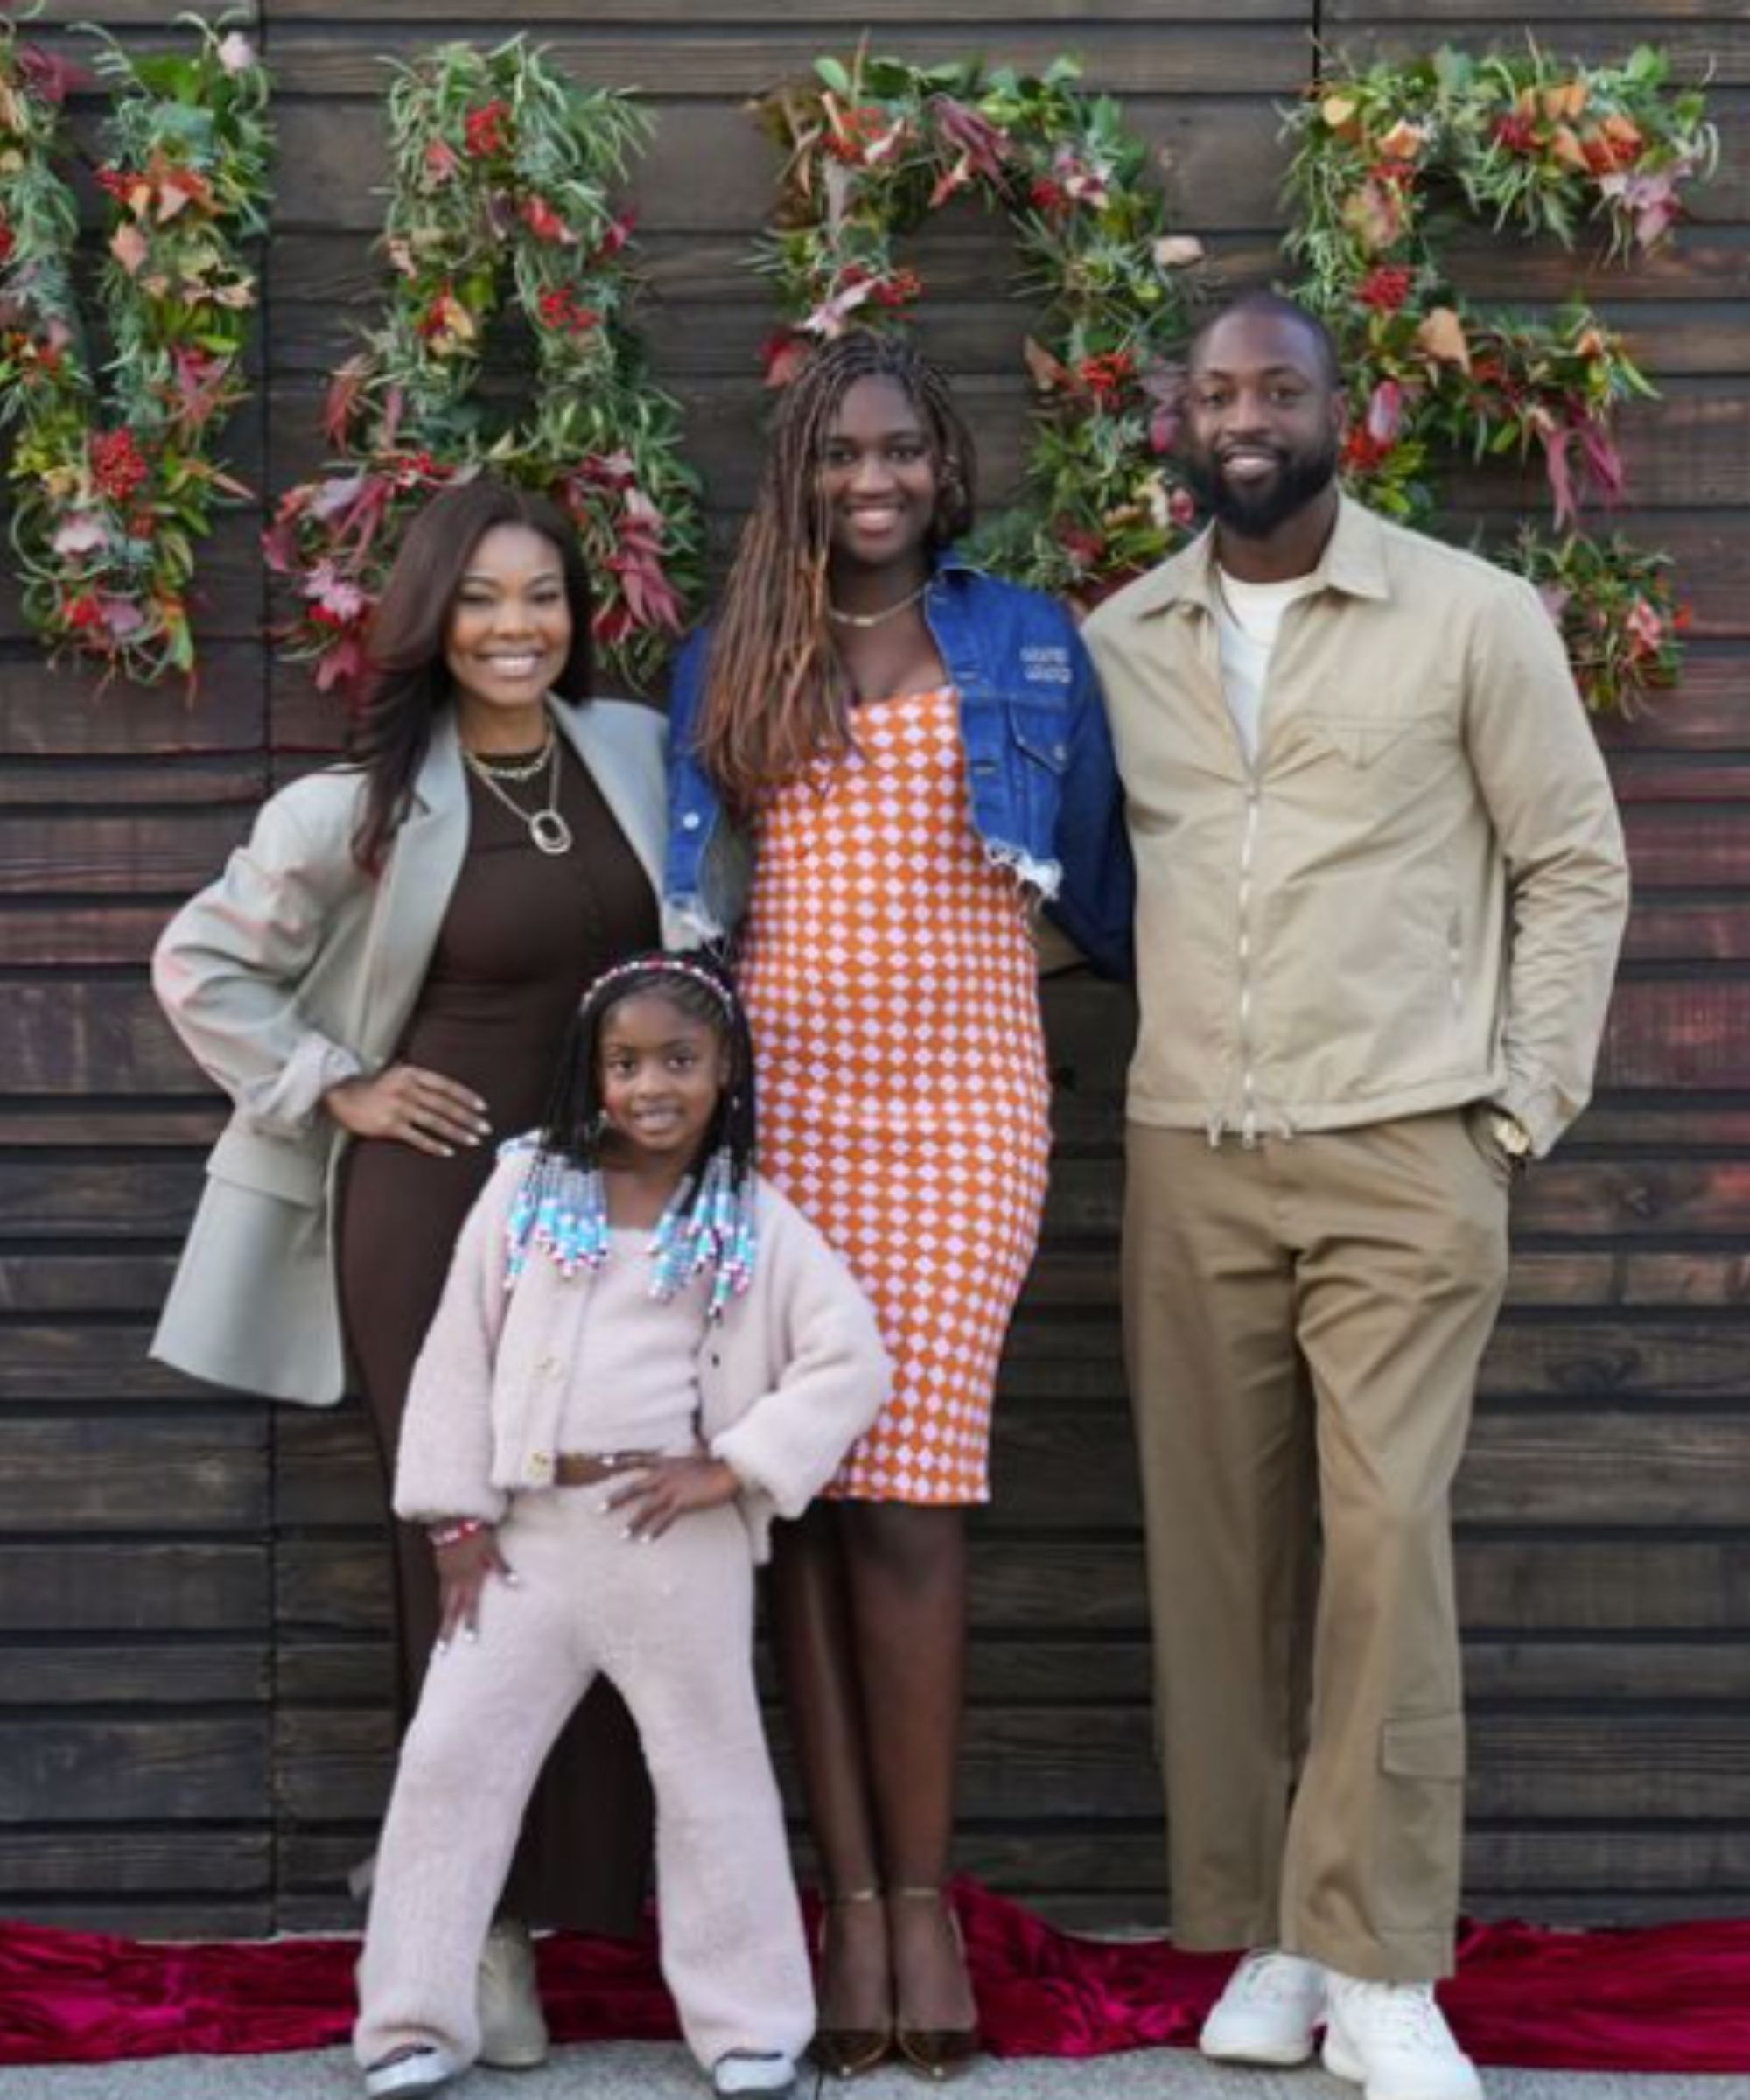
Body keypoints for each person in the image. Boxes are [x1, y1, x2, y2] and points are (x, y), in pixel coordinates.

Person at [1083, 290, 1631, 2100]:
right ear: (1178, 419)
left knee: (1382, 1548)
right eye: (1216, 391)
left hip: (1407, 1147)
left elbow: (1570, 864)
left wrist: (1517, 1110)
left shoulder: (1470, 621)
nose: (1246, 417)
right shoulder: (1117, 642)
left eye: (1280, 388)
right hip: (1187, 1157)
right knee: (1218, 1569)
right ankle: (1271, 1934)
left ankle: (1384, 1960)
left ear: (1344, 411)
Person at [151, 475, 678, 2067]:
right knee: (465, 1551)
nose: (517, 628)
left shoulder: (641, 755)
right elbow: (200, 961)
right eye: (482, 601)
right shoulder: (360, 805)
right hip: (435, 1215)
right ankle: (478, 1934)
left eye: (543, 598)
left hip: (617, 1213)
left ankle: (590, 1906)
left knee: (609, 1534)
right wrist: (338, 1082)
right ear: (431, 620)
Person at [666, 331, 1131, 2082]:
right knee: (792, 1495)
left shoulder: (1018, 638)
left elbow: (1096, 878)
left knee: (917, 1502)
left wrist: (965, 981)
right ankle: (839, 1904)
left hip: (962, 1114)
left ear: (945, 468)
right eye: (839, 456)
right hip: (776, 1124)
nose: (872, 483)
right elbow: (693, 902)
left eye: (901, 454)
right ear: (798, 472)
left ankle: (921, 1903)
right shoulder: (731, 652)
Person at [352, 950, 889, 2100]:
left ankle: (750, 2027)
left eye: (680, 1062)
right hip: (530, 1540)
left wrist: (732, 1467)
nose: (652, 1086)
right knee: (450, 1761)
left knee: (713, 1778)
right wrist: (455, 1518)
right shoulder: (531, 1188)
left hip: (670, 1544)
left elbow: (851, 1359)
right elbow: (460, 1349)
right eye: (627, 1063)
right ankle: (411, 2019)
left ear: (724, 1070)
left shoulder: (750, 1214)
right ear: (593, 1075)